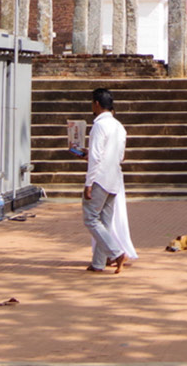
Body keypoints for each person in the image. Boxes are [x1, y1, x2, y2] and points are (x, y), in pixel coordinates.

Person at [74, 87, 132, 273]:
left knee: (90, 218)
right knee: (104, 221)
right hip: (114, 178)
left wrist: (88, 183)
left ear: (97, 104)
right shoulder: (119, 126)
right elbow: (120, 156)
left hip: (100, 178)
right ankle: (98, 262)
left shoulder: (99, 126)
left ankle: (116, 253)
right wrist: (90, 155)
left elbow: (96, 157)